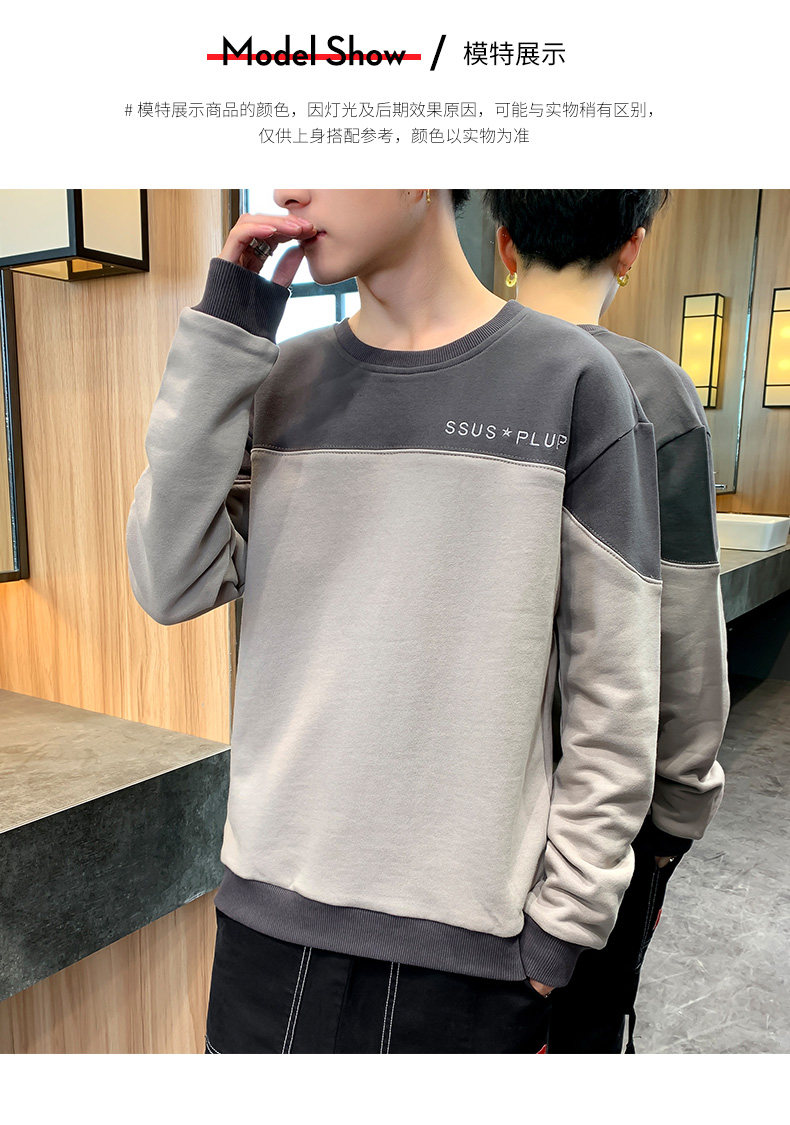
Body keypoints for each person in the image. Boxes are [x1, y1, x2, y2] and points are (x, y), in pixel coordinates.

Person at [126, 188, 664, 1053]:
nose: (289, 188)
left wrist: (560, 931)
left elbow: (618, 693)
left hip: (475, 960)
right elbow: (169, 579)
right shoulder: (280, 380)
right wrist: (227, 326)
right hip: (266, 934)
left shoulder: (570, 381)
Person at [484, 188, 729, 1053]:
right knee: (583, 1033)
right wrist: (680, 806)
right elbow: (685, 632)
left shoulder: (450, 372)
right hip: (602, 817)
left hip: (467, 819)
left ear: (503, 244)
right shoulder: (653, 392)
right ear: (632, 248)